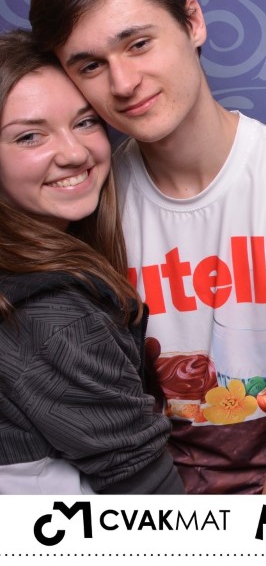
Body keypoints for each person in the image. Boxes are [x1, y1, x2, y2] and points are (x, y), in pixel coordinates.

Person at [27, 0, 266, 495]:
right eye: (90, 66)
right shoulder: (87, 199)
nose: (123, 83)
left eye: (138, 44)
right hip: (141, 493)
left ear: (192, 21)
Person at [0, 28, 182, 495]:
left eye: (84, 122)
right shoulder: (53, 316)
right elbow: (153, 504)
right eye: (30, 136)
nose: (75, 153)